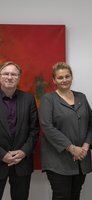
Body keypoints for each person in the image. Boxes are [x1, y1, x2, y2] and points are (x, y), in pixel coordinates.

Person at [39, 62, 92, 200]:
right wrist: (71, 148)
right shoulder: (48, 99)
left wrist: (85, 147)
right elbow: (47, 127)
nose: (64, 80)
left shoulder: (81, 97)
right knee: (61, 196)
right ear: (54, 80)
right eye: (60, 77)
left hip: (81, 159)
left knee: (75, 196)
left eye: (67, 76)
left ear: (71, 77)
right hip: (58, 161)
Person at [0, 61, 39, 200]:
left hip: (22, 163)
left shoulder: (28, 99)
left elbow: (34, 129)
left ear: (19, 78)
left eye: (13, 74)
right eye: (6, 73)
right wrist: (2, 154)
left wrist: (23, 152)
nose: (9, 77)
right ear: (0, 76)